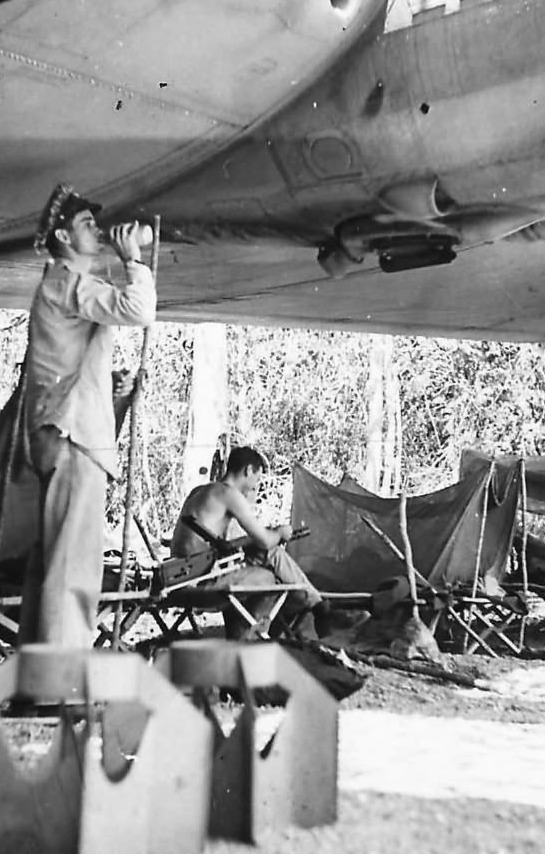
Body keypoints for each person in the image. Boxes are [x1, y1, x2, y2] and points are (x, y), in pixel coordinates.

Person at [19, 183, 156, 646]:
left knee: (55, 561)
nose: (97, 230)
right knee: (73, 567)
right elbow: (138, 308)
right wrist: (133, 260)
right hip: (72, 438)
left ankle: (38, 669)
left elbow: (72, 366)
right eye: (86, 224)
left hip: (64, 431)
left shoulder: (63, 284)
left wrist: (109, 390)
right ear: (62, 236)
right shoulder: (68, 281)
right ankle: (61, 673)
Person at [172, 446, 339, 638]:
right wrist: (280, 533)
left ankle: (315, 608)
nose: (256, 484)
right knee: (272, 573)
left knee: (267, 559)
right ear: (248, 470)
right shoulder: (229, 494)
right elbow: (266, 541)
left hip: (180, 577)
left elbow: (225, 545)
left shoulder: (200, 491)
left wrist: (260, 539)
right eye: (257, 478)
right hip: (201, 583)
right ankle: (315, 609)